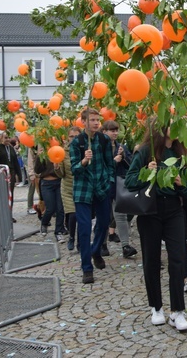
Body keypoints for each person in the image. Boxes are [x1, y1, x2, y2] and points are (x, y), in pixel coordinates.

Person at [125, 117, 187, 331]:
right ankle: (156, 307)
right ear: (162, 127)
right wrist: (147, 173)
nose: (179, 128)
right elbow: (129, 180)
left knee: (178, 260)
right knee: (151, 260)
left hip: (173, 209)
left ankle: (178, 311)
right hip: (150, 210)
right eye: (174, 123)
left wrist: (181, 185)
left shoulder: (181, 153)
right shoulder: (146, 150)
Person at [70, 108, 115, 284]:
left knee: (104, 223)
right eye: (92, 120)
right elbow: (74, 169)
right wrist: (84, 161)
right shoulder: (77, 142)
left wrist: (110, 180)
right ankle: (87, 268)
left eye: (98, 120)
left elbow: (109, 163)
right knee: (84, 228)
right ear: (83, 122)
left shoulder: (104, 140)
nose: (96, 123)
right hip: (83, 190)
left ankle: (96, 250)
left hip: (102, 188)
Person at [102, 120, 137, 259]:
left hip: (118, 185)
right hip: (104, 185)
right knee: (104, 216)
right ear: (104, 132)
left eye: (116, 130)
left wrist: (123, 157)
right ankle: (102, 243)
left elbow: (130, 164)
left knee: (121, 216)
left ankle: (125, 246)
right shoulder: (100, 147)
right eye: (112, 130)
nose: (115, 133)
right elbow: (100, 167)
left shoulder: (121, 147)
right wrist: (113, 161)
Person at [55, 127, 80, 251]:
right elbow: (61, 175)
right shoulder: (63, 152)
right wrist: (57, 168)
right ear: (67, 138)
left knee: (82, 216)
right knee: (73, 215)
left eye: (76, 136)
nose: (74, 139)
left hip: (81, 188)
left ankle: (81, 241)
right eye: (71, 136)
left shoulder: (84, 150)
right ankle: (71, 237)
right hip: (68, 189)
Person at [34, 145, 65, 242]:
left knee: (60, 209)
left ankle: (58, 232)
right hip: (46, 183)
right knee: (50, 208)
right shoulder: (44, 152)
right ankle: (44, 223)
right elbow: (37, 170)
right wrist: (39, 157)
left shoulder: (59, 150)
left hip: (59, 182)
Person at [0, 133, 23, 221]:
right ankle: (2, 214)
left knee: (10, 195)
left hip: (11, 173)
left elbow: (15, 161)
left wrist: (19, 175)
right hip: (2, 174)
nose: (7, 139)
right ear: (1, 138)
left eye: (8, 138)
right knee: (3, 195)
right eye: (5, 138)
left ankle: (9, 214)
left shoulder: (10, 148)